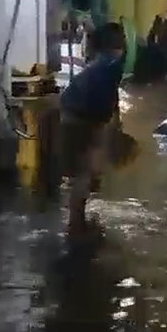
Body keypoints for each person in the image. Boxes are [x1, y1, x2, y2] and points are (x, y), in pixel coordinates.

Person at [60, 22, 127, 241]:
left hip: (74, 113)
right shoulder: (112, 65)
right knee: (86, 171)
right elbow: (104, 101)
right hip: (80, 117)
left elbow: (110, 97)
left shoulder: (103, 63)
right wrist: (106, 131)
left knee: (87, 170)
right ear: (119, 44)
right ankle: (76, 225)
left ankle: (78, 220)